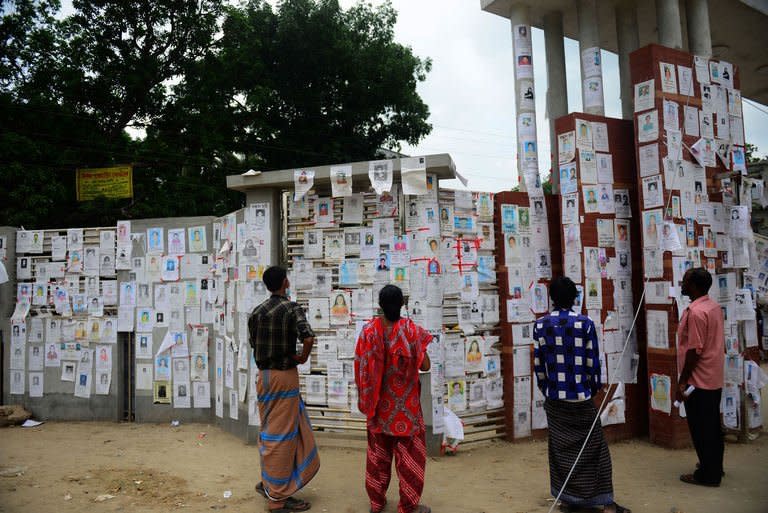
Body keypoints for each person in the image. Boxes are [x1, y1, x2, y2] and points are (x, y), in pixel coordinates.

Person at [533, 277, 629, 513]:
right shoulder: (585, 324)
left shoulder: (540, 325)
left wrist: (546, 389)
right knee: (595, 449)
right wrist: (593, 388)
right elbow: (592, 362)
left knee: (560, 450)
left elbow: (538, 364)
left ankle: (568, 499)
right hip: (580, 397)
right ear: (575, 297)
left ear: (552, 298)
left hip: (555, 397)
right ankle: (606, 504)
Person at [354, 285, 432, 513]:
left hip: (378, 408)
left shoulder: (368, 332)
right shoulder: (411, 331)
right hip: (406, 411)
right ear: (402, 305)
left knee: (378, 458)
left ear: (379, 305)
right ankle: (408, 506)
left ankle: (376, 503)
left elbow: (359, 366)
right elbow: (425, 366)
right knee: (409, 459)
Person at [248, 266, 318, 512]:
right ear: (285, 282)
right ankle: (277, 497)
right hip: (284, 377)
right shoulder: (291, 308)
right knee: (283, 435)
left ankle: (269, 482)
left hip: (264, 377)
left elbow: (253, 344)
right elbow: (308, 337)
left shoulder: (256, 312)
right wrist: (302, 357)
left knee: (269, 430)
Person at [677, 268, 725, 487]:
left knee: (701, 429)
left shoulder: (696, 313)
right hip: (713, 377)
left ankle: (708, 475)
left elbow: (694, 350)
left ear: (694, 286)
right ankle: (715, 466)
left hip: (698, 380)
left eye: (685, 281)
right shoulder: (713, 307)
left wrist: (682, 380)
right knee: (713, 426)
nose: (682, 283)